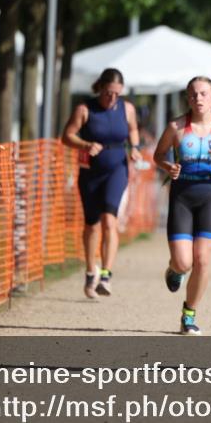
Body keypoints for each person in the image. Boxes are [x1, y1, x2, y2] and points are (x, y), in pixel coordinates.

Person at [153, 77, 211, 335]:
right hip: (181, 198)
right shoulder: (176, 127)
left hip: (208, 198)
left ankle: (189, 314)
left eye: (203, 94)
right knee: (183, 262)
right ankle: (174, 269)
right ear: (187, 99)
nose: (197, 98)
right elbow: (158, 155)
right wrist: (169, 166)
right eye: (192, 95)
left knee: (202, 260)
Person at [61, 68, 143, 298]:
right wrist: (85, 145)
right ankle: (90, 271)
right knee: (92, 224)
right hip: (90, 172)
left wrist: (135, 148)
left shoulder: (127, 109)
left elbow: (133, 130)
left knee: (110, 220)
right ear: (101, 88)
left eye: (117, 94)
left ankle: (106, 274)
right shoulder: (85, 109)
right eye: (108, 93)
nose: (112, 98)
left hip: (117, 169)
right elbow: (67, 136)